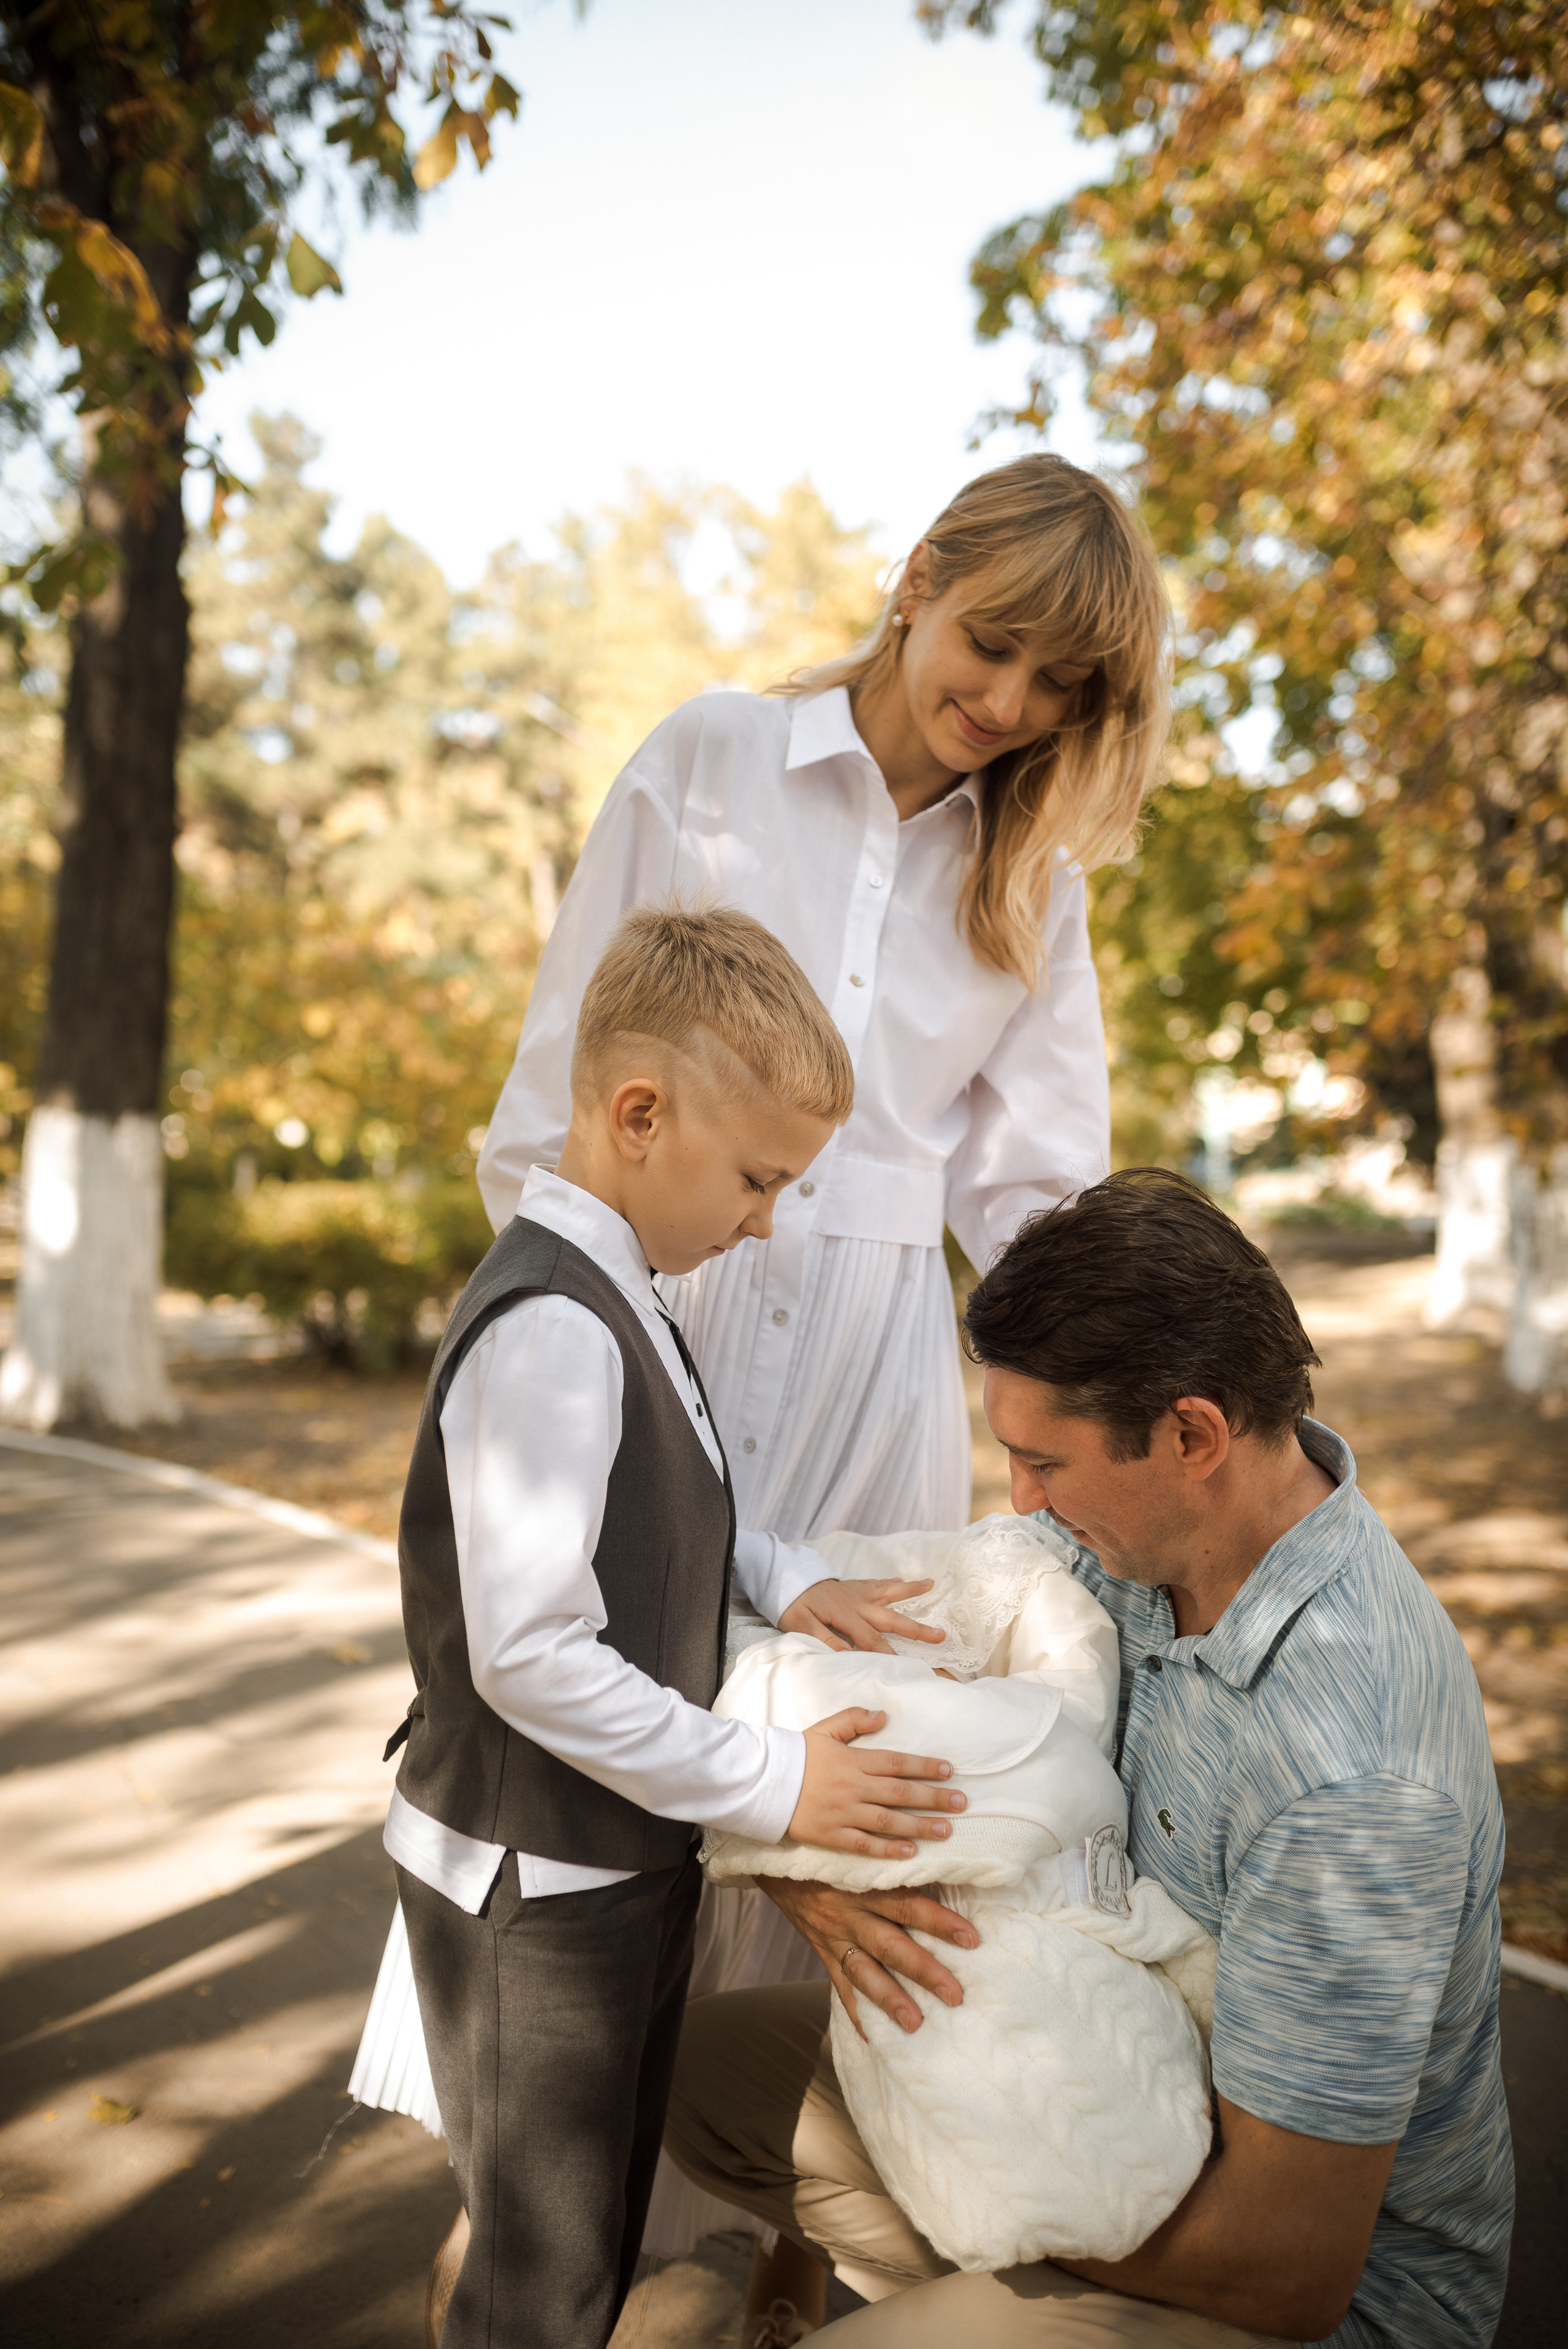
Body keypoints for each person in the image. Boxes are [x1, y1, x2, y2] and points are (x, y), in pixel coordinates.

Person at [350, 449, 1174, 2270]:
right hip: (670, 1320)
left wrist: (1134, 1413)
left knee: (838, 1829)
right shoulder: (711, 758)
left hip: (875, 1376)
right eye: (995, 645)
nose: (1009, 707)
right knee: (623, 1789)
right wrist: (612, 1324)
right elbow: (559, 1100)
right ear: (918, 572)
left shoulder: (1035, 873)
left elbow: (1038, 1200)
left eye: (1060, 690)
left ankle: (774, 2274)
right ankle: (544, 2248)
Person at [665, 1169, 1513, 2348]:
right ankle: (978, 2292)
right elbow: (855, 1627)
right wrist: (802, 1850)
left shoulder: (1353, 1781)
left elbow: (1286, 2267)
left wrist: (1004, 2168)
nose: (1017, 1499)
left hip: (1314, 2297)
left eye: (1044, 1464)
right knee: (703, 2073)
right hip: (1108, 2081)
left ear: (1192, 1432)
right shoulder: (1127, 1542)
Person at [385, 903, 968, 2349]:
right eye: (759, 1178)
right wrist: (779, 1785)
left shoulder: (624, 1292)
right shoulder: (556, 1327)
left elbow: (644, 1511)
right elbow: (529, 1652)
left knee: (587, 2250)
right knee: (544, 2284)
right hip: (536, 1888)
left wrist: (774, 1571)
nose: (766, 1218)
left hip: (607, 1867)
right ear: (638, 1115)